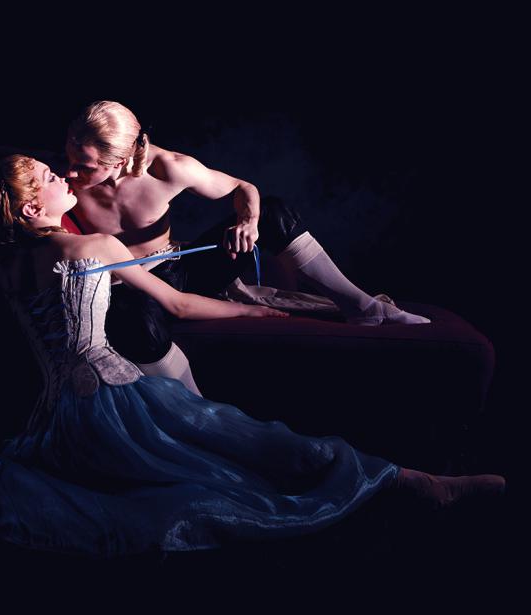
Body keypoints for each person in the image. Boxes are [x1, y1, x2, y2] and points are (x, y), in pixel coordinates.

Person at [0, 155, 505, 558]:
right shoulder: (94, 246)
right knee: (259, 449)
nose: (61, 175)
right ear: (29, 205)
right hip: (120, 401)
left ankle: (414, 483)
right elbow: (179, 305)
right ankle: (420, 485)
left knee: (230, 456)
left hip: (55, 423)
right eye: (48, 176)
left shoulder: (1, 270)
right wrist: (257, 313)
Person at [64, 101, 430, 398]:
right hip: (129, 287)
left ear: (120, 161)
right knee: (132, 319)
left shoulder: (170, 168)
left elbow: (243, 188)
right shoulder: (63, 182)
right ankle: (198, 413)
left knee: (273, 213)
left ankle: (363, 307)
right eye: (70, 160)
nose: (71, 173)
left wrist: (249, 221)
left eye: (84, 167)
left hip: (177, 269)